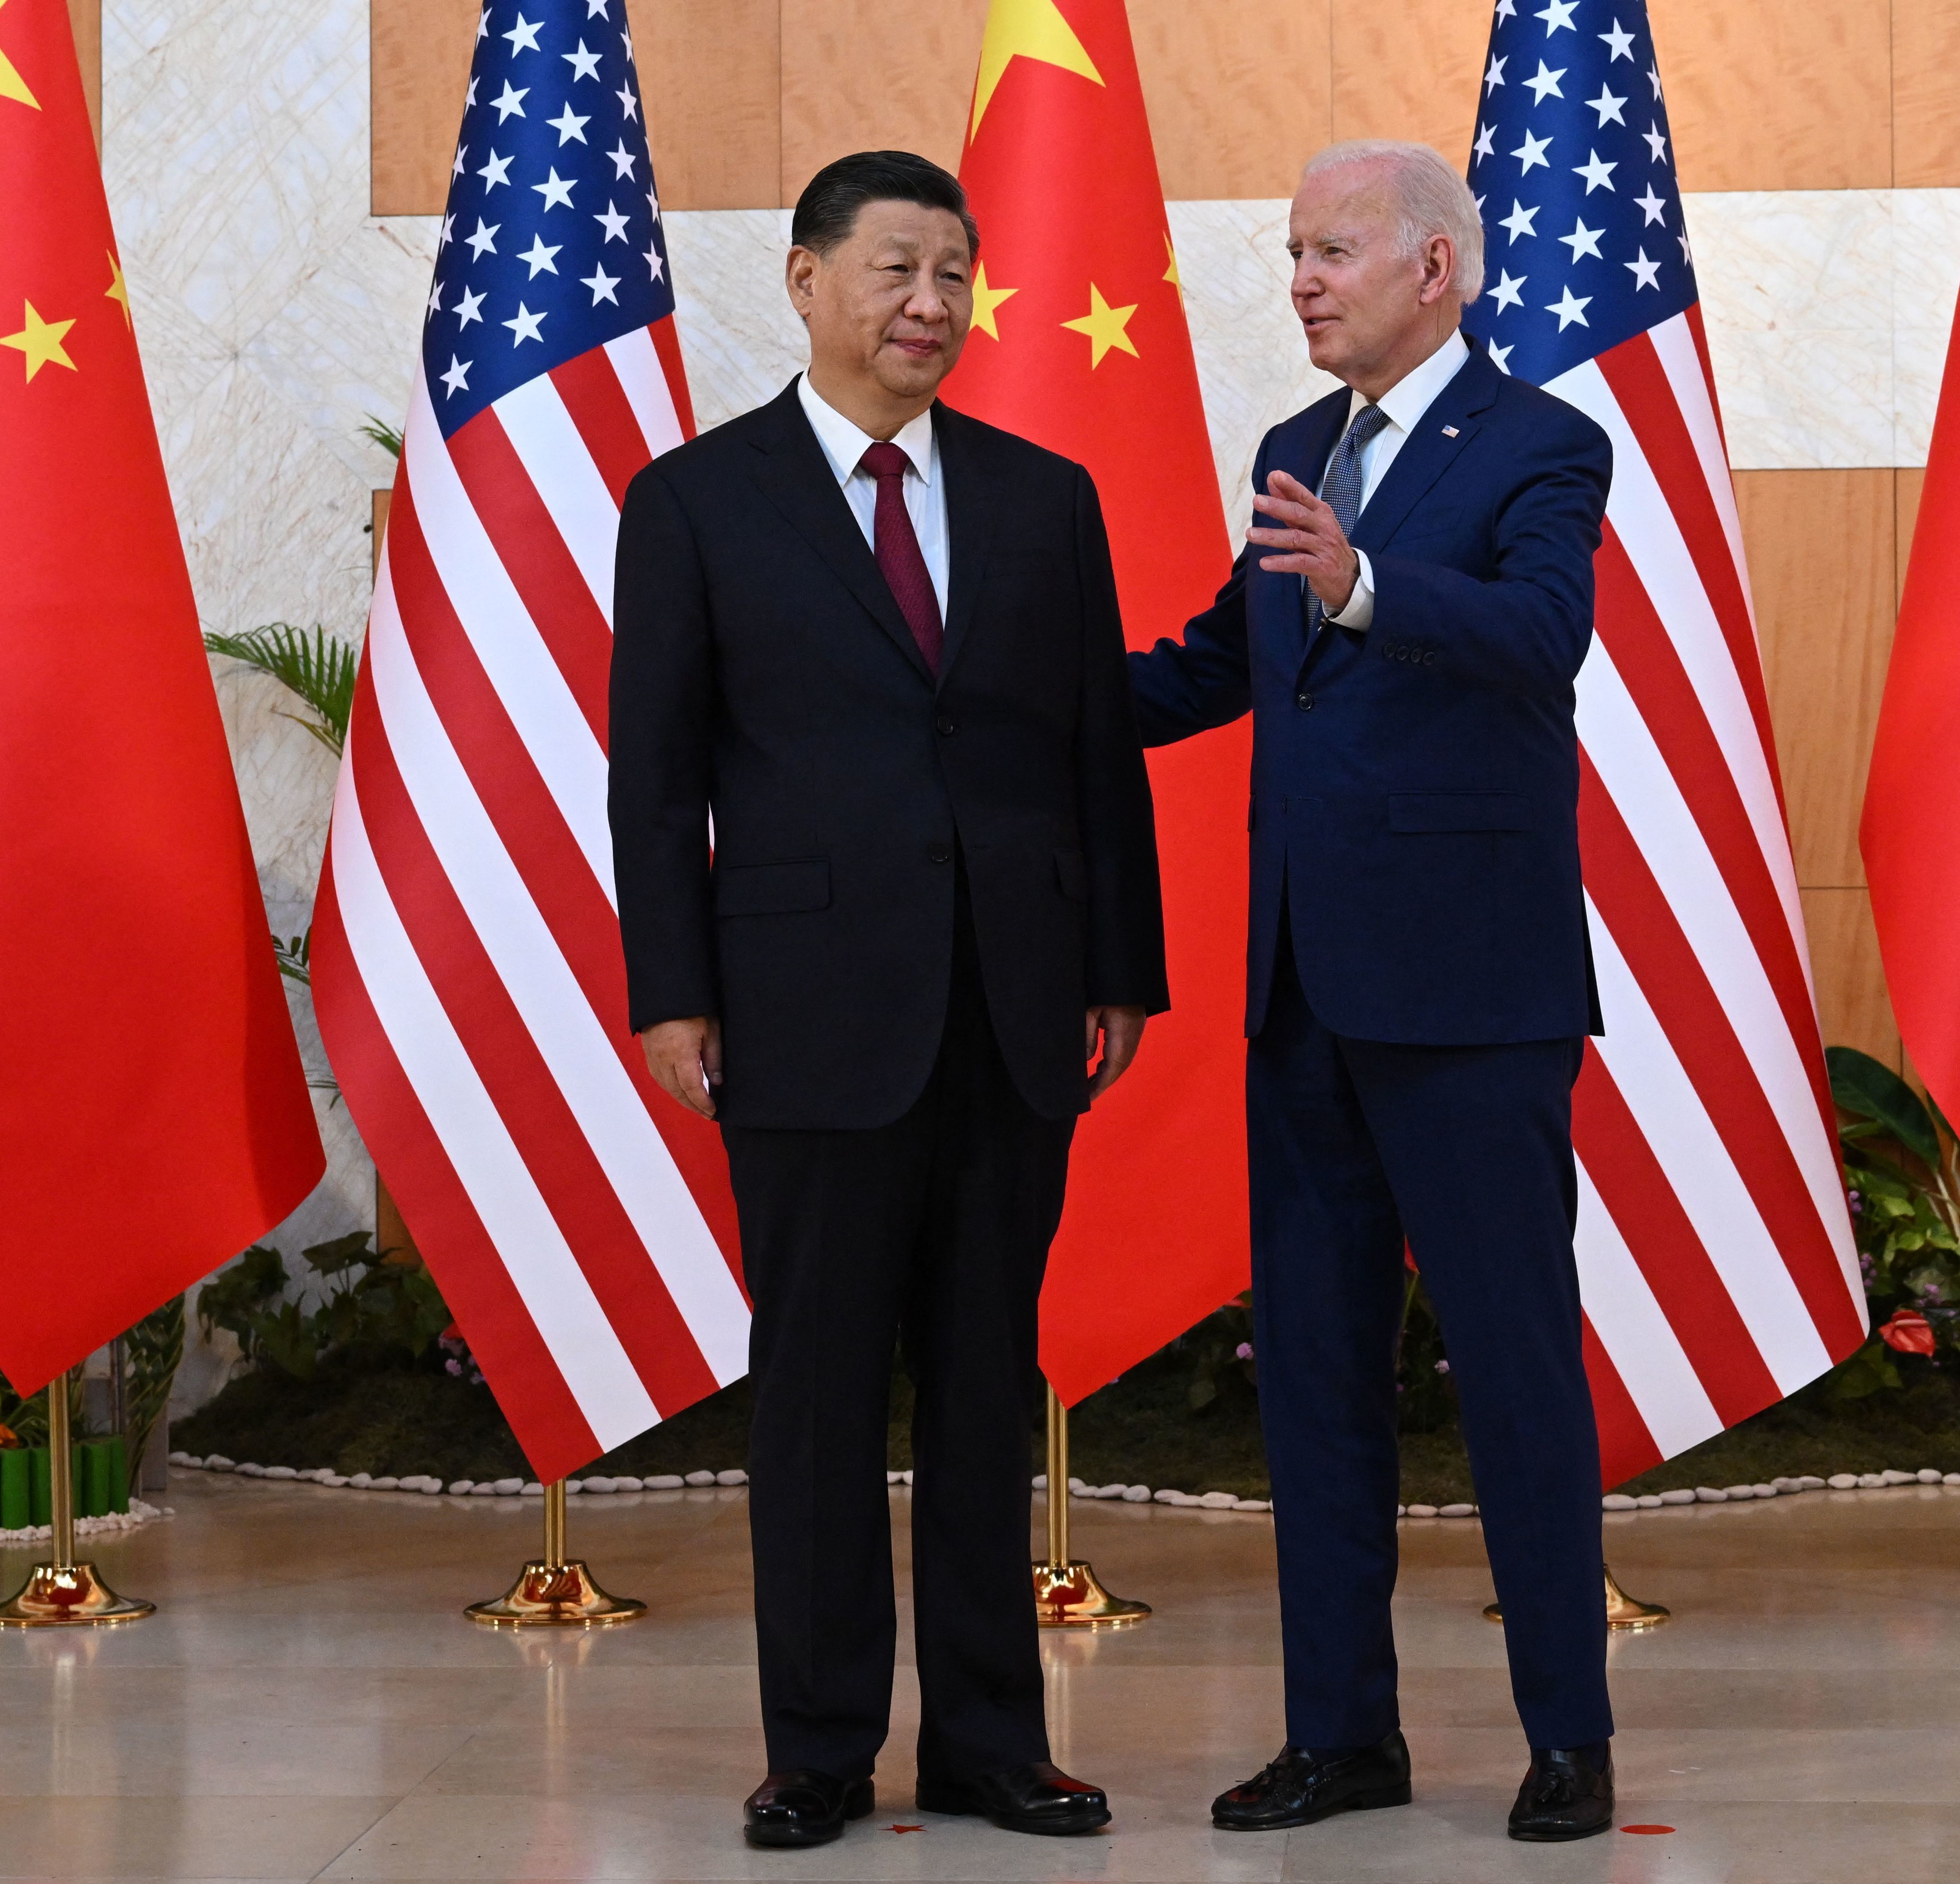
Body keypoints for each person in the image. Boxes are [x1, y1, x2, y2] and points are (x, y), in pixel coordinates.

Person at [608, 149, 1167, 1850]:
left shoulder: (1041, 496)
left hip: (1015, 1008)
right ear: (803, 279)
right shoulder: (696, 501)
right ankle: (822, 1748)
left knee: (991, 1389)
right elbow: (656, 771)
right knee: (821, 1394)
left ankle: (993, 1742)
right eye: (893, 271)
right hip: (798, 1012)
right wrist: (671, 990)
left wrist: (1119, 969)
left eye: (953, 276)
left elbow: (1093, 759)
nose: (928, 306)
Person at [1126, 139, 1619, 1844]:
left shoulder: (1543, 444)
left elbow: (1536, 633)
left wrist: (1363, 582)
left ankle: (1568, 1738)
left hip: (1473, 998)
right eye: (1291, 252)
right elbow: (1217, 661)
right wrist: (1011, 689)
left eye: (1333, 249)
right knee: (1316, 1381)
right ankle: (1344, 1738)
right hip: (1303, 997)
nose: (1303, 280)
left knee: (1511, 1370)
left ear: (1438, 268)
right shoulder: (1290, 452)